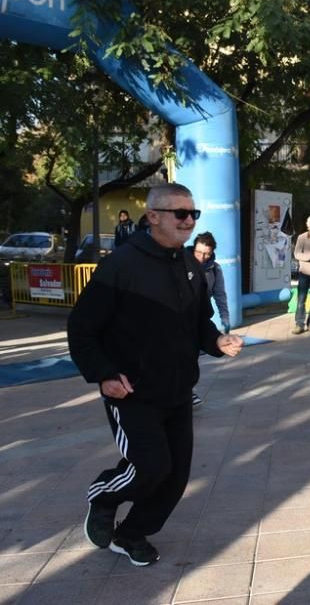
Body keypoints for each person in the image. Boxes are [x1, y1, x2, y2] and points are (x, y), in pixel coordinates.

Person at [67, 183, 244, 567]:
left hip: (178, 391)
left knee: (176, 477)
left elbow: (200, 324)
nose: (188, 221)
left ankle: (131, 534)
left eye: (193, 214)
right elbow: (81, 328)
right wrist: (103, 374)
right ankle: (103, 495)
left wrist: (218, 341)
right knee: (151, 467)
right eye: (180, 213)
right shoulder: (120, 265)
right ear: (153, 216)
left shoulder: (190, 266)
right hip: (130, 392)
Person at [188, 231, 231, 407]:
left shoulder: (214, 269)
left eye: (206, 253)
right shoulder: (182, 263)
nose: (202, 257)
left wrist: (225, 317)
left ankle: (187, 390)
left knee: (193, 355)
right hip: (183, 316)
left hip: (201, 317)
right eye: (199, 252)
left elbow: (220, 294)